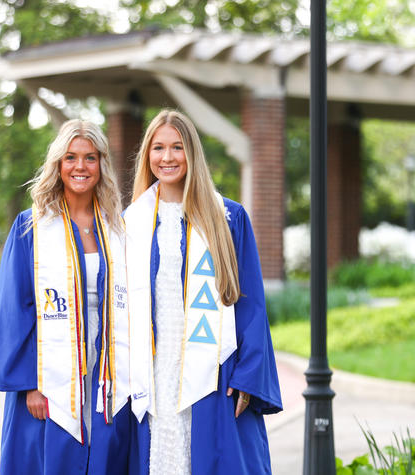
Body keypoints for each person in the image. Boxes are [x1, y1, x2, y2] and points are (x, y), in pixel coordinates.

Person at [123, 109, 282, 475]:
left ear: (191, 153)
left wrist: (248, 377)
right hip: (152, 369)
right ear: (147, 155)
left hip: (212, 366)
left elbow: (251, 303)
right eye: (158, 148)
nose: (167, 158)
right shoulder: (131, 221)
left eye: (177, 147)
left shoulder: (226, 218)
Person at [0, 119, 142, 474]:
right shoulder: (32, 227)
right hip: (49, 377)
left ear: (101, 164)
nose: (80, 167)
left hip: (107, 374)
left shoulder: (118, 228)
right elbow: (14, 309)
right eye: (70, 157)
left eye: (89, 157)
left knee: (104, 459)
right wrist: (30, 386)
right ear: (58, 164)